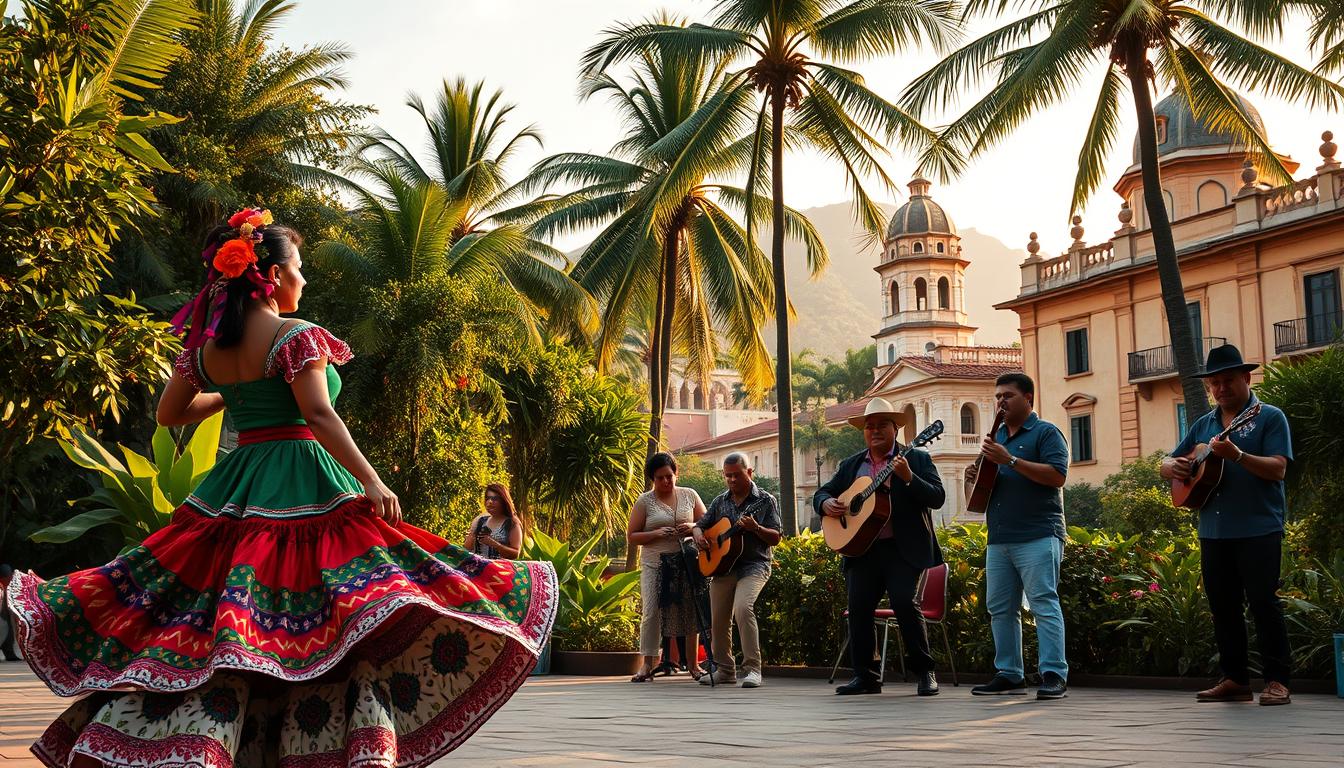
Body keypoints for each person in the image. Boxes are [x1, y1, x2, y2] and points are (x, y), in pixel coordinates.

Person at [3, 208, 556, 767]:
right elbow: (317, 413)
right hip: (305, 478)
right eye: (299, 268)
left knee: (228, 612)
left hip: (238, 483)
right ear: (271, 275)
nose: (304, 280)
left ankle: (205, 741)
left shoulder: (207, 348)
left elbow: (171, 414)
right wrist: (371, 478)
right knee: (333, 610)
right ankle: (318, 745)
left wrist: (235, 392)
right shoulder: (297, 337)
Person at [1160, 344, 1294, 706]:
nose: (1220, 388)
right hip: (1213, 530)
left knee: (1264, 604)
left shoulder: (1268, 417)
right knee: (1223, 606)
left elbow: (1279, 468)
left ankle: (1277, 681)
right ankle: (1235, 679)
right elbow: (1168, 461)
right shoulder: (1203, 423)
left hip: (1259, 528)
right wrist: (1172, 467)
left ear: (1246, 378)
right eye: (1214, 383)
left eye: (1228, 381)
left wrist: (1238, 455)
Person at [814, 397, 945, 697]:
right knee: (859, 608)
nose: (874, 431)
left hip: (902, 549)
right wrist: (826, 503)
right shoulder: (852, 465)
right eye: (869, 426)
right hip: (862, 550)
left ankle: (925, 672)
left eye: (882, 425)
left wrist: (909, 478)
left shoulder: (917, 459)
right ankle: (866, 677)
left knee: (903, 602)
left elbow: (937, 498)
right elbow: (822, 492)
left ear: (896, 429)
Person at [964, 372, 1070, 700]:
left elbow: (1057, 476)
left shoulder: (1046, 433)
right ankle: (1010, 673)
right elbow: (978, 496)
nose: (1001, 402)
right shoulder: (995, 439)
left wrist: (1009, 459)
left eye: (1008, 396)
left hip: (1039, 533)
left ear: (1029, 399)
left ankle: (1054, 674)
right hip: (999, 538)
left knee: (1043, 603)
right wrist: (974, 475)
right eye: (997, 397)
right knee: (1000, 607)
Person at [691, 453, 781, 689]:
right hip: (723, 567)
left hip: (754, 565)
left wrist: (757, 528)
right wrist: (699, 536)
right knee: (719, 618)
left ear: (749, 472)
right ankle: (725, 670)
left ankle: (753, 669)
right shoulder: (721, 501)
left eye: (736, 475)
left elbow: (776, 537)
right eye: (727, 475)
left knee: (743, 608)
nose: (731, 479)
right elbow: (700, 525)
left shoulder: (765, 500)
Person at [627, 452, 706, 683]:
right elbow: (632, 535)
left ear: (676, 474)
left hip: (686, 562)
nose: (666, 482)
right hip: (655, 563)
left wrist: (692, 526)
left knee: (691, 611)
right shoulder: (645, 501)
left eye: (669, 476)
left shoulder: (689, 495)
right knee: (651, 611)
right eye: (660, 478)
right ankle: (647, 664)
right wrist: (655, 533)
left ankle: (693, 664)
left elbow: (706, 521)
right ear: (653, 478)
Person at [465, 483, 523, 559]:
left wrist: (494, 544)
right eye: (487, 498)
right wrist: (473, 532)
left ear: (504, 501)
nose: (490, 502)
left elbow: (515, 554)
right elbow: (466, 549)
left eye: (495, 499)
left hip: (500, 569)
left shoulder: (512, 523)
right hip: (477, 568)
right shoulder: (480, 521)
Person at [0, 564, 18, 661]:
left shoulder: (7, 586)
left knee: (7, 630)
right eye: (9, 577)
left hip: (4, 616)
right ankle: (9, 653)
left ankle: (10, 653)